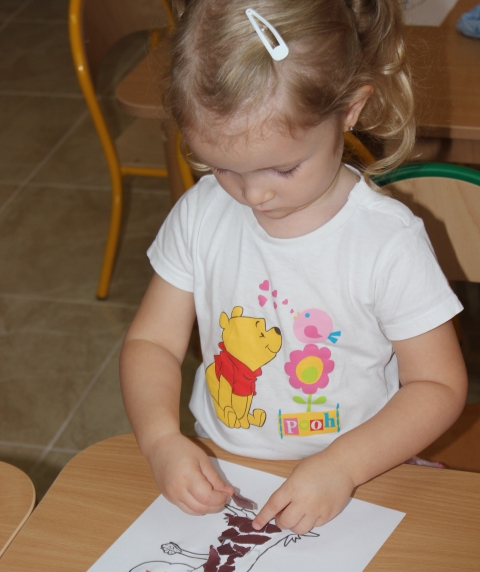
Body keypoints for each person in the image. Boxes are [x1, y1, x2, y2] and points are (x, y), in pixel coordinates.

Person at [120, 0, 467, 535]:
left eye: (282, 169)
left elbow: (438, 385)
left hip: (362, 474)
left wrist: (343, 466)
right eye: (223, 167)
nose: (253, 195)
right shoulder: (202, 213)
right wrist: (161, 439)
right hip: (227, 464)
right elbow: (152, 344)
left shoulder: (386, 242)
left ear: (350, 109)